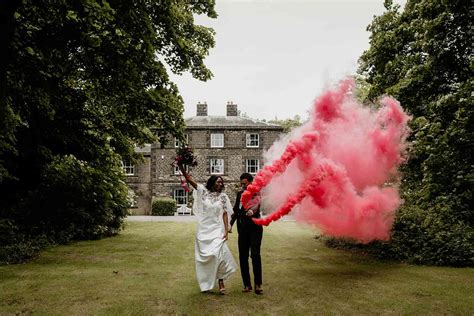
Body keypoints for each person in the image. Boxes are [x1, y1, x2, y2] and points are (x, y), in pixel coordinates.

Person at [178, 163, 237, 294]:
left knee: (219, 254)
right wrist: (181, 166)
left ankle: (221, 281)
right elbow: (189, 179)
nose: (221, 184)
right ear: (212, 182)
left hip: (217, 229)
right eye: (218, 181)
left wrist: (226, 231)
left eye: (222, 182)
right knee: (204, 258)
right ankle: (206, 284)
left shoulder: (223, 197)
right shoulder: (203, 191)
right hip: (204, 229)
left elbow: (225, 214)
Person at [233, 173, 263, 294]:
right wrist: (230, 223)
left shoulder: (257, 193)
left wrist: (251, 210)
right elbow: (236, 210)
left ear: (251, 182)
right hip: (243, 229)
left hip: (255, 228)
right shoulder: (240, 194)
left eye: (245, 184)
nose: (243, 186)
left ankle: (258, 284)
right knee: (243, 256)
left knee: (255, 255)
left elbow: (256, 205)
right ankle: (247, 284)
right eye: (242, 184)